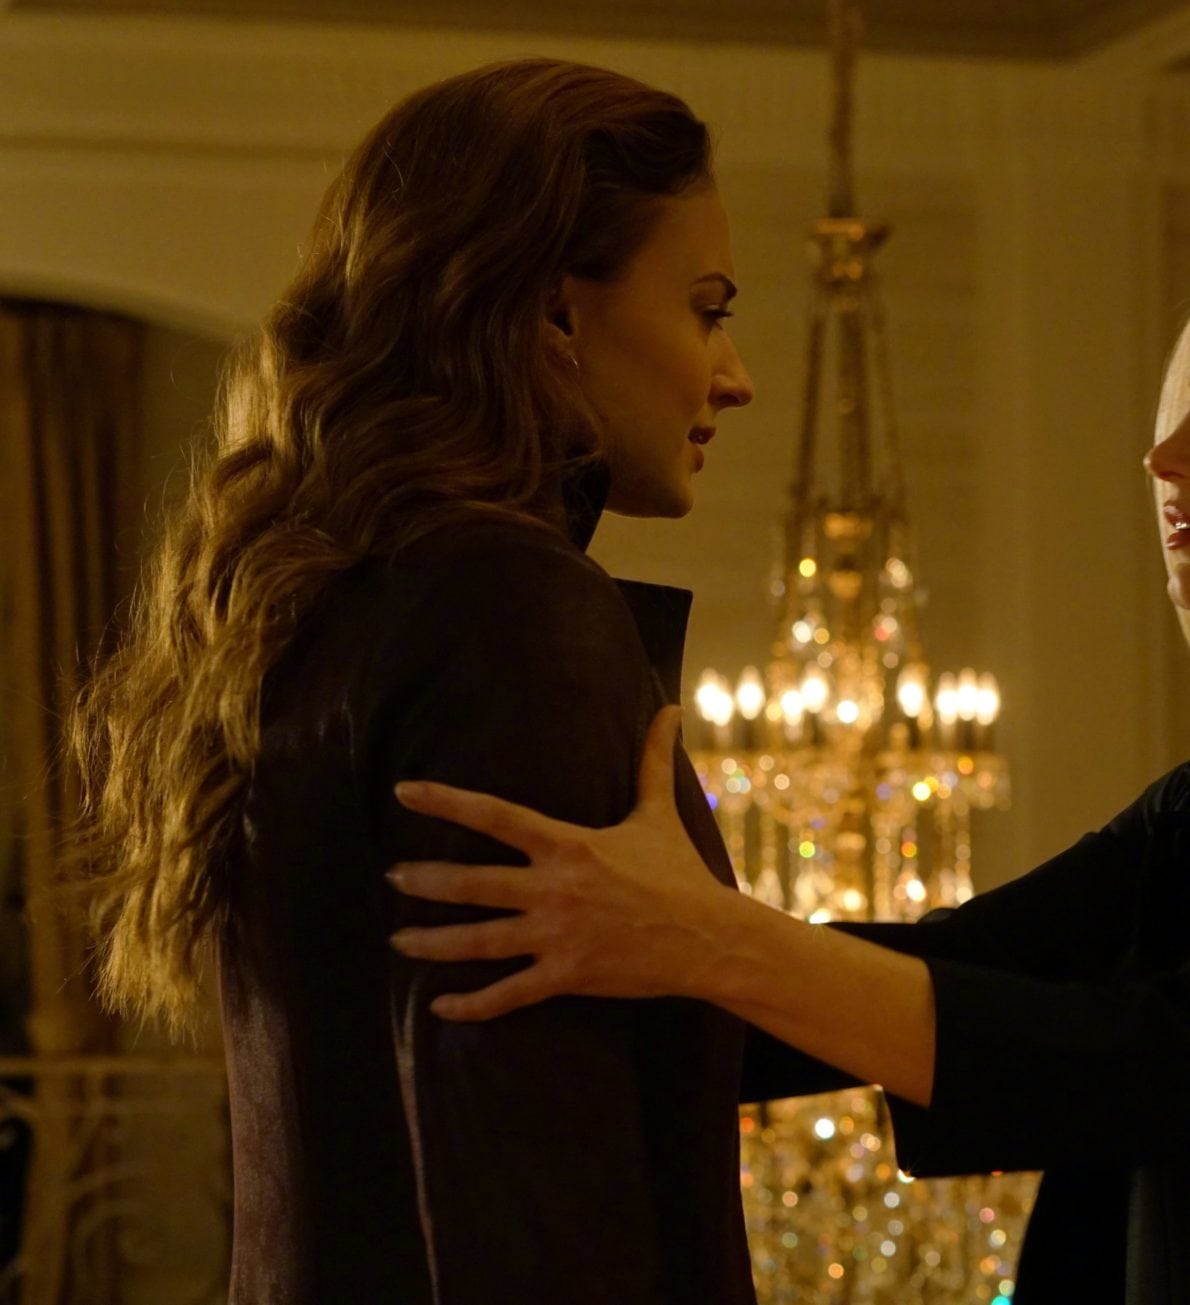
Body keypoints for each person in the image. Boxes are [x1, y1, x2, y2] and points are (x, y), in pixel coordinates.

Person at [387, 229, 1190, 1303]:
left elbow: (1160, 1067)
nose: (1166, 457)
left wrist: (709, 942)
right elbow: (969, 965)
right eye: (1182, 412)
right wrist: (524, 982)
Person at [68, 59, 755, 1303]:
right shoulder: (509, 608)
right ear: (554, 316)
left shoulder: (335, 591)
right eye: (706, 311)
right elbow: (534, 1177)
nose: (733, 374)